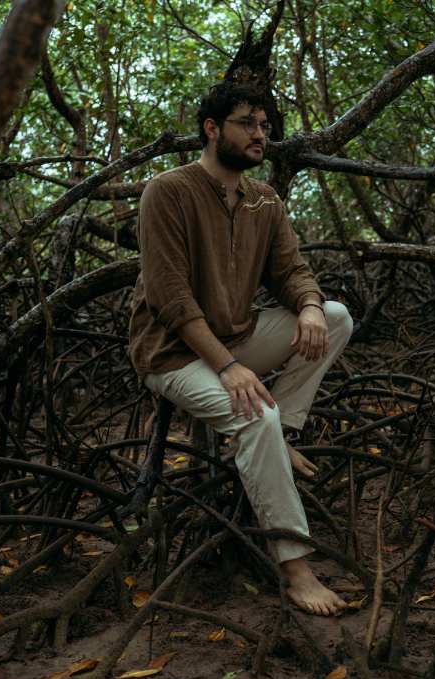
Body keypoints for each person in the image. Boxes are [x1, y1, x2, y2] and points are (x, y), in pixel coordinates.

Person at [129, 81, 353, 616]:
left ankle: (286, 433)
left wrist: (309, 307)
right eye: (247, 124)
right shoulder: (168, 190)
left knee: (337, 316)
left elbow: (292, 271)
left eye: (265, 127)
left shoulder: (263, 200)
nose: (260, 135)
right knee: (255, 420)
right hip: (174, 354)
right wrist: (226, 366)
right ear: (212, 129)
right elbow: (170, 297)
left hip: (235, 339)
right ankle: (294, 566)